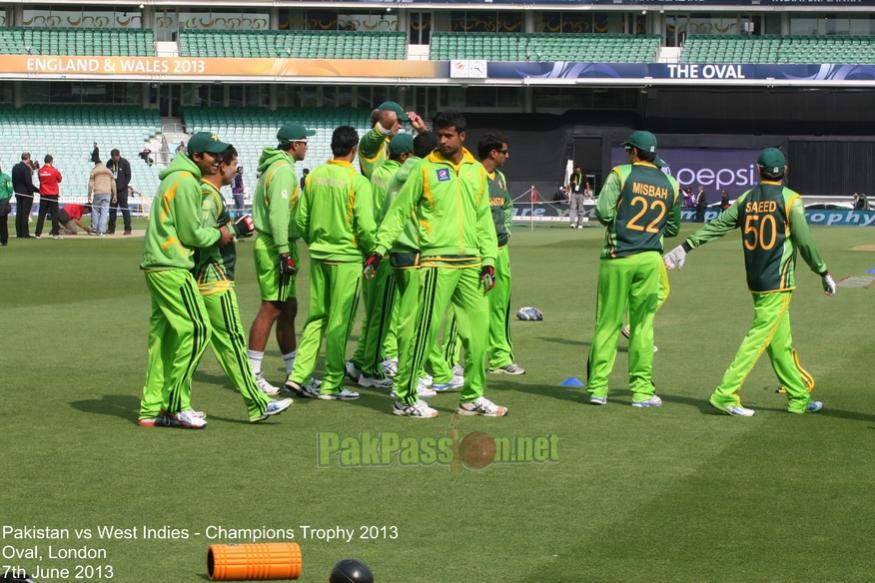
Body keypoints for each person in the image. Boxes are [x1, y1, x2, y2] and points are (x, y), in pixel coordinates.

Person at [664, 147, 835, 416]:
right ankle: (725, 394)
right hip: (778, 282)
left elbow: (718, 225)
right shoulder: (791, 200)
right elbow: (804, 242)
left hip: (756, 280)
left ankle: (798, 397)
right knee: (758, 339)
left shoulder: (746, 199)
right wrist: (823, 272)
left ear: (758, 171)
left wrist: (686, 246)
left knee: (779, 342)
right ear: (785, 172)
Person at [370, 110, 507, 418]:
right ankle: (404, 396)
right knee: (424, 332)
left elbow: (483, 218)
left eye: (448, 135)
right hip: (436, 261)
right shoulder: (424, 169)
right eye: (439, 135)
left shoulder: (474, 170)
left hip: (472, 263)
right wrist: (380, 247)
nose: (442, 141)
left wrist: (489, 260)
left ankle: (472, 397)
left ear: (462, 136)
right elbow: (400, 210)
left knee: (478, 335)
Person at [137, 131, 235, 429]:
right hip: (172, 265)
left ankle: (150, 408)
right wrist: (222, 235)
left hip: (158, 263)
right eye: (212, 155)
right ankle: (175, 406)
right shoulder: (186, 182)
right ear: (196, 157)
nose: (218, 160)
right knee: (198, 329)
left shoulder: (175, 178)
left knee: (163, 339)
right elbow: (191, 234)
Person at [192, 145, 292, 423]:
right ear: (221, 166)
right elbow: (200, 236)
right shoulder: (209, 197)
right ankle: (257, 403)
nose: (236, 170)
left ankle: (169, 403)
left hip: (207, 278)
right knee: (232, 343)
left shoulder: (207, 193)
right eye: (234, 164)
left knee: (193, 344)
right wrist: (235, 230)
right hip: (213, 279)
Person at [586, 131, 681, 408]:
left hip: (618, 257)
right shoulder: (671, 184)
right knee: (643, 327)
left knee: (608, 324)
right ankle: (641, 392)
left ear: (633, 152)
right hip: (650, 259)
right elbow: (673, 227)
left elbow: (603, 213)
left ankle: (598, 389)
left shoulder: (621, 174)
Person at [284, 126, 375, 401]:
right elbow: (366, 227)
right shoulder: (358, 182)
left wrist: (315, 242)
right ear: (354, 149)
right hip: (346, 258)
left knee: (316, 318)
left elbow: (300, 221)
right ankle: (332, 384)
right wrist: (374, 251)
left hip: (320, 255)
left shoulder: (315, 177)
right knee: (339, 322)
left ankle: (298, 375)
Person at [247, 122, 316, 396]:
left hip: (278, 244)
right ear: (294, 145)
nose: (307, 146)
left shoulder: (275, 168)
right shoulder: (283, 171)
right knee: (272, 307)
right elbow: (278, 214)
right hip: (277, 246)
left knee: (288, 309)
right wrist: (284, 252)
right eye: (304, 142)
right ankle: (252, 373)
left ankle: (293, 372)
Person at [347, 133, 415, 390]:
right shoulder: (400, 177)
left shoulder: (375, 172)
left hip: (371, 249)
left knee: (375, 314)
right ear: (405, 156)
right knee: (383, 315)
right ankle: (372, 369)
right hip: (386, 251)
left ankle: (358, 362)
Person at [477, 132, 525, 376]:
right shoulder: (472, 175)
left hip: (500, 251)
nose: (508, 155)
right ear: (493, 153)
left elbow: (506, 206)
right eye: (504, 151)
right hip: (476, 254)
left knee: (500, 307)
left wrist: (505, 231)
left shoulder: (501, 178)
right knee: (467, 309)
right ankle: (451, 360)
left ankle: (501, 357)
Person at [357, 101, 428, 179]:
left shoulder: (393, 143)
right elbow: (388, 118)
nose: (400, 126)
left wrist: (423, 131)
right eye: (399, 121)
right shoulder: (370, 145)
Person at [35, 154, 62, 240]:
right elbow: (60, 179)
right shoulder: (54, 170)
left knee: (41, 215)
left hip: (43, 195)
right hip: (53, 195)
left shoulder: (40, 171)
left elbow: (40, 179)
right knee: (54, 215)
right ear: (51, 161)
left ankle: (37, 234)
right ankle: (55, 234)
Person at [88, 159, 117, 236]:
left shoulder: (94, 170)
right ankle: (101, 230)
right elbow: (113, 184)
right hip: (107, 193)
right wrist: (115, 195)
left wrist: (89, 195)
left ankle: (94, 230)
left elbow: (91, 184)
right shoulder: (108, 171)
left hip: (98, 192)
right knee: (104, 212)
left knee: (95, 211)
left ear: (96, 164)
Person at [107, 149, 132, 235]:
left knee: (124, 210)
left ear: (118, 155)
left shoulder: (125, 163)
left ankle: (128, 229)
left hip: (122, 192)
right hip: (112, 192)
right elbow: (108, 176)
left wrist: (123, 186)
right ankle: (111, 229)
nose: (115, 160)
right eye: (113, 158)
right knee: (112, 211)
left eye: (116, 158)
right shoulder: (109, 163)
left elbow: (128, 176)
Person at [12, 153, 36, 239]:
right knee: (25, 214)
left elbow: (13, 181)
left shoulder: (15, 167)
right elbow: (29, 183)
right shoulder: (26, 168)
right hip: (27, 195)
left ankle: (19, 233)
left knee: (19, 213)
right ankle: (25, 233)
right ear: (28, 158)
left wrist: (16, 191)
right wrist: (36, 191)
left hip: (18, 193)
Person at [0, 166, 11, 246]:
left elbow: (10, 189)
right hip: (4, 200)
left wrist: (7, 200)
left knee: (3, 221)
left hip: (3, 201)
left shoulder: (6, 177)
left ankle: (4, 240)